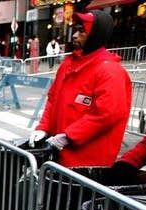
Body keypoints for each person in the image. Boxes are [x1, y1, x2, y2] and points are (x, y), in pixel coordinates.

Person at [29, 11, 131, 170]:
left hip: (87, 162)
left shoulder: (110, 70)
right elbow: (52, 99)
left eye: (82, 31)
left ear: (96, 34)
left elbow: (107, 113)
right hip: (59, 155)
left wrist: (69, 136)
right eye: (75, 30)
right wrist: (43, 127)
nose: (75, 36)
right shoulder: (68, 64)